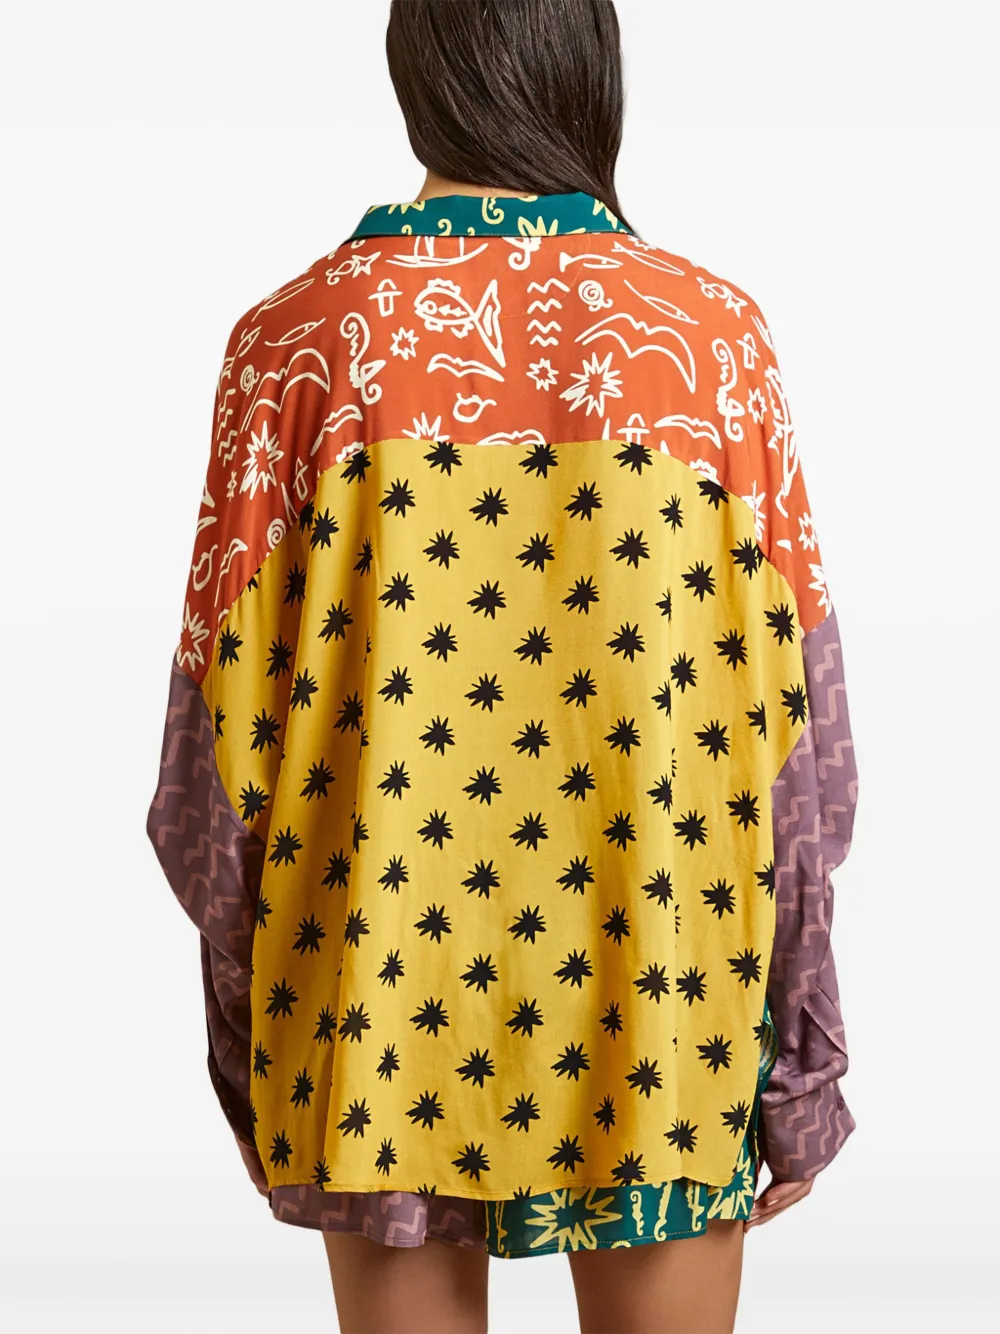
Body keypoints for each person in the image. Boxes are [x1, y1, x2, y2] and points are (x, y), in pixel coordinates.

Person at [145, 2, 859, 1330]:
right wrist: (800, 1071)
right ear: (589, 70)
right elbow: (798, 753)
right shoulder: (713, 341)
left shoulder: (293, 345)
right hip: (665, 1009)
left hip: (376, 1010)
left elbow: (213, 769)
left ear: (419, 71)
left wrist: (256, 1056)